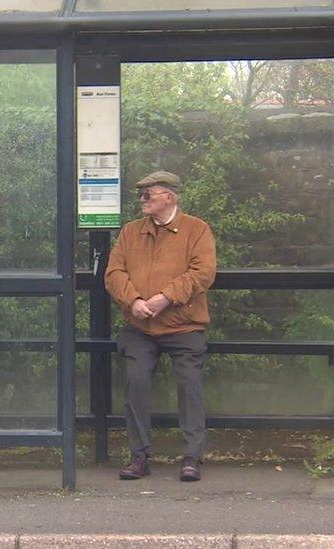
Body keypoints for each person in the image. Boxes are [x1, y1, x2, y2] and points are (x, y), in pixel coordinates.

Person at [105, 170, 217, 482]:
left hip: (184, 327)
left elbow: (203, 273)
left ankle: (192, 457)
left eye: (148, 194)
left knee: (189, 386)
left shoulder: (197, 230)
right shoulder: (130, 232)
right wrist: (134, 301)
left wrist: (166, 298)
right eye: (141, 194)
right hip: (140, 328)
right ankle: (139, 456)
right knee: (136, 382)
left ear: (169, 196)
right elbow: (114, 272)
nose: (142, 200)